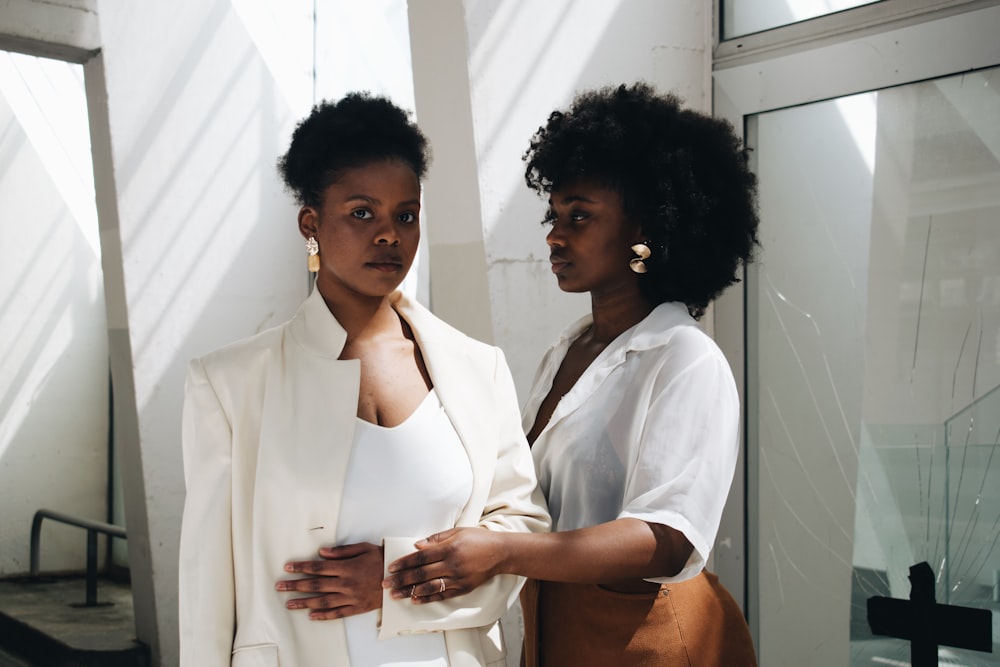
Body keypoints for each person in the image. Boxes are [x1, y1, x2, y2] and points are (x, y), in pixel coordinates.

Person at [382, 83, 760, 666]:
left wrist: (505, 552)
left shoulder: (685, 358)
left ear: (649, 229)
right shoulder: (569, 350)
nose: (555, 237)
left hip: (651, 640)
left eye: (579, 217)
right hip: (556, 630)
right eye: (553, 216)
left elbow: (667, 538)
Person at [178, 92, 550, 667]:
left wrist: (393, 580)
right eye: (361, 213)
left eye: (405, 215)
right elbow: (207, 589)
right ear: (311, 224)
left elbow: (519, 536)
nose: (388, 235)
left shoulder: (478, 369)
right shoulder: (230, 384)